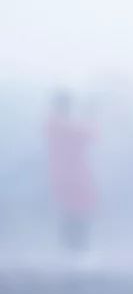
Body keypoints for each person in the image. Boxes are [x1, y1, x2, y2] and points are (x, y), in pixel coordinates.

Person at [45, 91, 97, 253]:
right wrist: (91, 115)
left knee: (73, 210)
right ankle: (74, 248)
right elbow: (90, 134)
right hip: (71, 175)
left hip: (67, 174)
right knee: (74, 211)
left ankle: (74, 248)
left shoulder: (54, 124)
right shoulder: (58, 124)